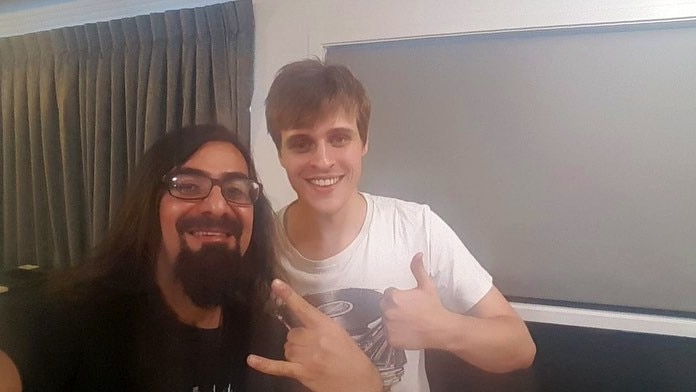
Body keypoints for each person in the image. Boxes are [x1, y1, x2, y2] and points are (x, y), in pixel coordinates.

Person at [0, 124, 382, 392]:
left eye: (236, 189)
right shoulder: (64, 317)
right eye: (188, 186)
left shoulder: (269, 341)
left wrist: (366, 386)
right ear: (149, 206)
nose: (217, 206)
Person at [264, 59, 537, 391]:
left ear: (364, 143)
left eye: (339, 139)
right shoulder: (260, 243)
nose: (322, 160)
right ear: (280, 153)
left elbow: (520, 347)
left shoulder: (414, 227)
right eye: (301, 143)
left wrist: (443, 329)